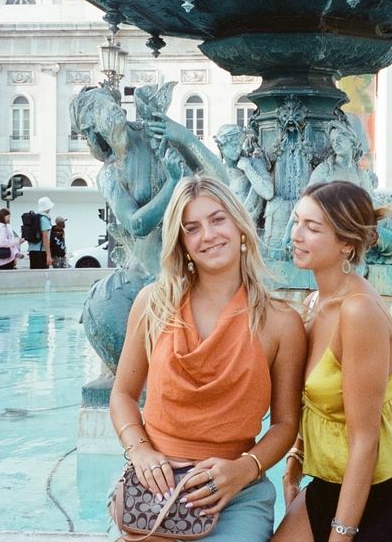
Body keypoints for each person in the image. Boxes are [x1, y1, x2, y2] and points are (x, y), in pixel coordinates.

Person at [110, 175, 306, 541]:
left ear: (239, 225)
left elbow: (285, 424)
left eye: (218, 220)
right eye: (192, 228)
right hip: (155, 490)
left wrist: (245, 470)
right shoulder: (153, 304)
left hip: (235, 494)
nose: (209, 235)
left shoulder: (282, 322)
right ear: (181, 243)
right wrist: (140, 452)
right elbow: (122, 395)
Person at [275, 180, 392, 541]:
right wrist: (295, 461)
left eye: (312, 227)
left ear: (346, 244)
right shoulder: (315, 304)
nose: (296, 235)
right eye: (296, 221)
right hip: (336, 478)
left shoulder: (358, 312)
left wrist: (340, 535)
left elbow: (366, 439)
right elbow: (315, 402)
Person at [28, 197, 54, 269]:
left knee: (34, 276)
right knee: (42, 276)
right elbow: (45, 238)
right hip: (41, 252)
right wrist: (48, 255)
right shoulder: (44, 219)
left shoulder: (35, 218)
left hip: (32, 251)